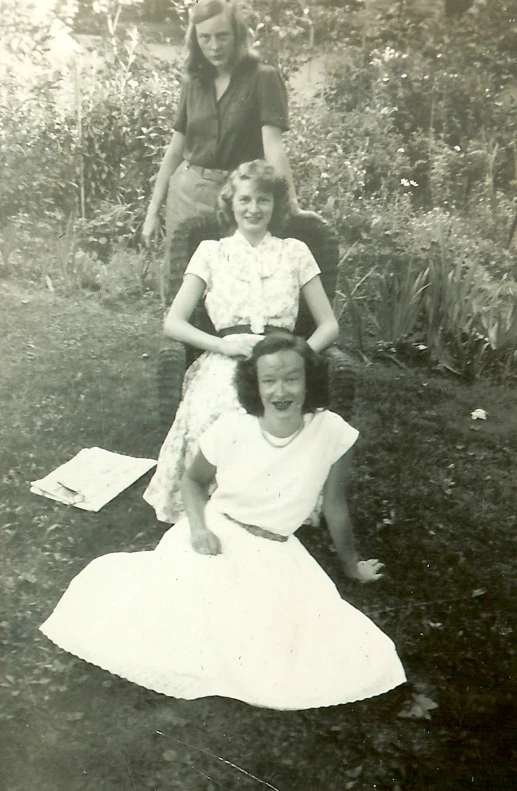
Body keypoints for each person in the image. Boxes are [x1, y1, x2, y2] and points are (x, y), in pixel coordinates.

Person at [40, 332, 406, 711]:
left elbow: (335, 506)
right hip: (217, 533)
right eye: (269, 380)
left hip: (277, 551)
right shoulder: (234, 428)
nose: (281, 391)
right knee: (176, 623)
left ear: (309, 381)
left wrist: (351, 566)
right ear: (255, 385)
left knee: (285, 645)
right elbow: (193, 481)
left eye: (292, 378)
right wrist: (198, 528)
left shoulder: (332, 433)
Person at [143, 159, 339, 524]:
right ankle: (219, 510)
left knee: (280, 413)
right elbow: (173, 322)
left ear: (275, 206)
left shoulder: (295, 251)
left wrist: (298, 354)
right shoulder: (211, 252)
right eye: (245, 199)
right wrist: (222, 346)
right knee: (220, 412)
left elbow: (329, 325)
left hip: (284, 359)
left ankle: (270, 511)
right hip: (226, 358)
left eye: (263, 200)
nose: (253, 208)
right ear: (231, 203)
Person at [141, 0, 315, 299]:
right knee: (182, 282)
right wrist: (152, 211)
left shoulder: (263, 77)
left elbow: (273, 148)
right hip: (187, 193)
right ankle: (181, 344)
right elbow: (175, 150)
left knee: (234, 284)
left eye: (222, 36)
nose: (214, 46)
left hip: (239, 197)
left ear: (238, 35)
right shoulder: (193, 81)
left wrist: (292, 204)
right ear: (195, 40)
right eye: (204, 38)